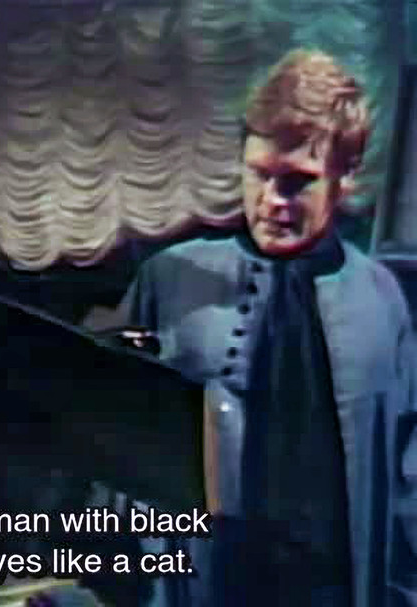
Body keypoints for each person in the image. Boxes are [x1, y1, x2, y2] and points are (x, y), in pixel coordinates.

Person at [122, 49, 417, 606]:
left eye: (297, 182)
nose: (272, 202)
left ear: (346, 176)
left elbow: (408, 477)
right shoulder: (170, 279)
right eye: (259, 174)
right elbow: (111, 444)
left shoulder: (381, 301)